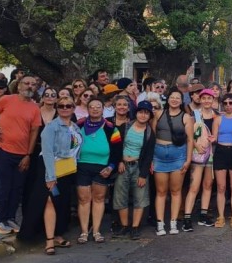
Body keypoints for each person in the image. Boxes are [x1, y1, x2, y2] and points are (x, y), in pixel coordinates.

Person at [0, 76, 42, 235]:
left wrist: (28, 155)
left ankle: (10, 218)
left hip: (22, 153)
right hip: (3, 149)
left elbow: (34, 132)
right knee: (4, 186)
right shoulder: (6, 100)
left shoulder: (34, 108)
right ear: (18, 86)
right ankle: (0, 220)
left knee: (17, 188)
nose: (30, 86)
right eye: (26, 83)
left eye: (33, 84)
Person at [75, 99, 122, 244]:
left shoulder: (111, 128)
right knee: (83, 199)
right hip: (81, 167)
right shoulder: (78, 124)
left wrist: (111, 167)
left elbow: (117, 151)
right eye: (91, 107)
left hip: (102, 168)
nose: (95, 109)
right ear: (87, 109)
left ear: (103, 109)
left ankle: (96, 231)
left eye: (98, 106)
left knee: (99, 199)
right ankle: (84, 231)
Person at [39, 96, 82, 254]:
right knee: (51, 202)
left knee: (62, 204)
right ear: (57, 108)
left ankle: (57, 235)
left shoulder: (75, 127)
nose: (65, 108)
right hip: (52, 169)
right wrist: (51, 176)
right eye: (61, 106)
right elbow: (47, 152)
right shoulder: (51, 127)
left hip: (68, 170)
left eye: (68, 105)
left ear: (73, 108)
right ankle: (49, 241)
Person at [152, 88, 192, 236]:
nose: (174, 100)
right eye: (172, 97)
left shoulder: (186, 117)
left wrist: (188, 160)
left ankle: (173, 222)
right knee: (161, 191)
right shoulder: (158, 114)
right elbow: (152, 136)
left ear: (181, 101)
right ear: (167, 99)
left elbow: (190, 140)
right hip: (159, 155)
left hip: (178, 155)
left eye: (178, 98)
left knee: (176, 191)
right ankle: (160, 223)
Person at [113, 100, 155, 240]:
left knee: (140, 196)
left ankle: (135, 226)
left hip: (138, 166)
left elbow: (148, 155)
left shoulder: (149, 133)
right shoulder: (125, 127)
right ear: (136, 113)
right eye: (141, 112)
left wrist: (143, 174)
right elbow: (117, 146)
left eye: (146, 113)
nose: (143, 115)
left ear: (149, 116)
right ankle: (124, 225)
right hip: (123, 165)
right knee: (121, 195)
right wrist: (119, 161)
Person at [182, 89, 217, 231]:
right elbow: (188, 134)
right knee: (194, 186)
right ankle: (187, 218)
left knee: (208, 185)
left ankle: (203, 214)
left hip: (212, 154)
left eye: (210, 98)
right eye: (204, 98)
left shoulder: (217, 116)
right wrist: (196, 145)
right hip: (197, 154)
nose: (207, 101)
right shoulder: (194, 115)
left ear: (213, 100)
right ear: (200, 100)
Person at [212, 94, 232, 229]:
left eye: (231, 102)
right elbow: (214, 139)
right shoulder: (218, 119)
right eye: (225, 103)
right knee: (221, 187)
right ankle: (221, 216)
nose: (228, 105)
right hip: (220, 152)